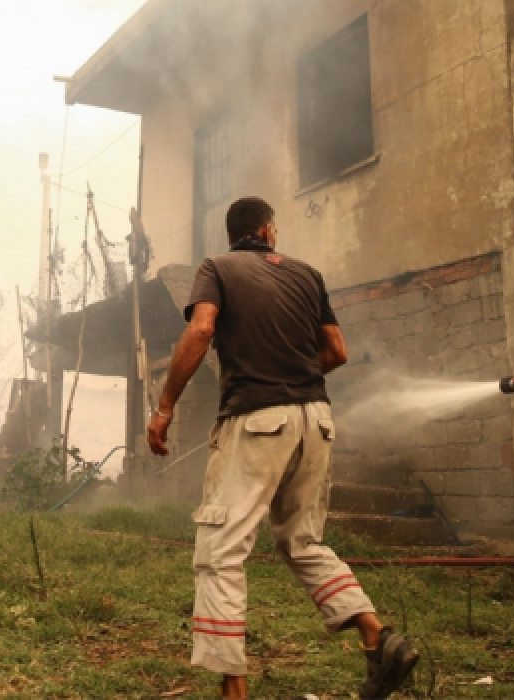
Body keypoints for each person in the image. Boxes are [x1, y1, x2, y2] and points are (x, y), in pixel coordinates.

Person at [147, 197, 419, 699]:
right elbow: (336, 351)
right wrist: (293, 373)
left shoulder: (216, 268)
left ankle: (234, 690)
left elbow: (202, 328)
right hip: (315, 419)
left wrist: (164, 408)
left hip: (256, 420)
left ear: (235, 236)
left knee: (221, 551)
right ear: (269, 232)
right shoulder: (307, 275)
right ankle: (376, 635)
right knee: (303, 542)